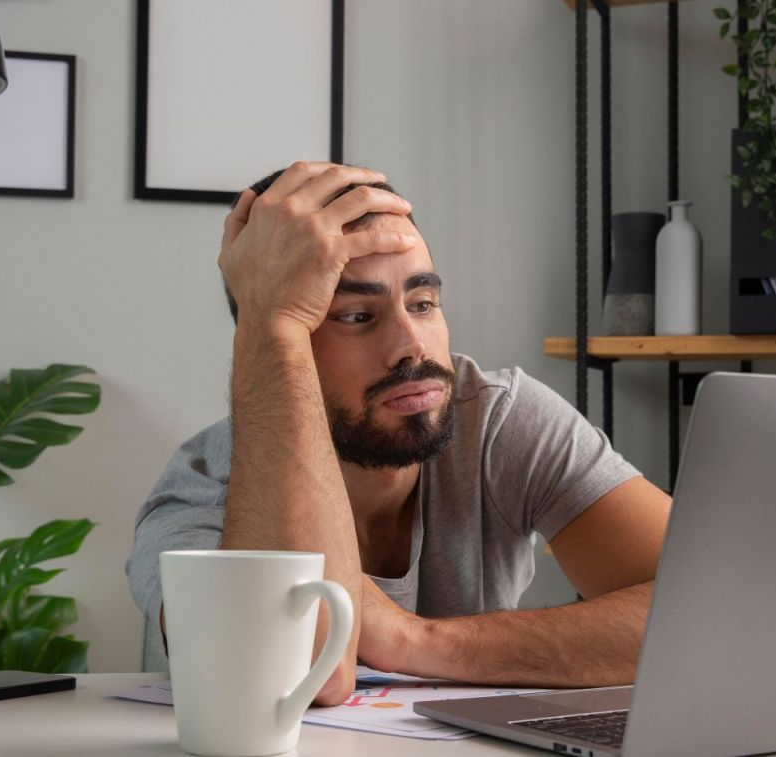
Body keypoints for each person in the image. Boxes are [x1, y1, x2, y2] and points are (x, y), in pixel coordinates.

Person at [126, 162, 672, 705]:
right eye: (357, 316)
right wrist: (270, 323)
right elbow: (301, 678)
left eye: (422, 303)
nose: (412, 345)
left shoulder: (496, 420)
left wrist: (414, 639)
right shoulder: (203, 493)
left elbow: (716, 611)